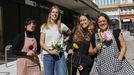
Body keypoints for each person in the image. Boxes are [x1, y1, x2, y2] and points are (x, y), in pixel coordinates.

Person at [40, 5, 71, 75]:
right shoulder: (44, 26)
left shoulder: (62, 25)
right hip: (48, 56)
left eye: (56, 12)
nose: (55, 14)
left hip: (60, 56)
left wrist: (66, 40)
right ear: (50, 14)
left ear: (58, 15)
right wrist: (50, 51)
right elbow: (41, 42)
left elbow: (71, 34)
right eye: (53, 12)